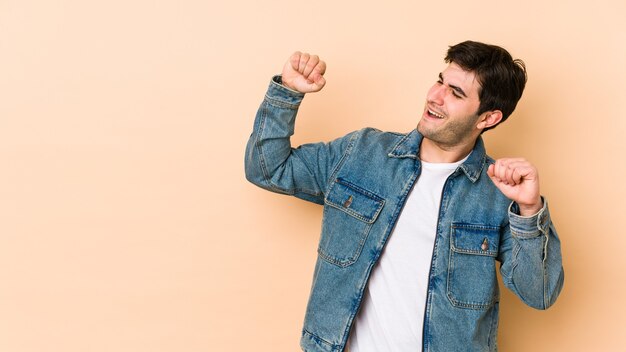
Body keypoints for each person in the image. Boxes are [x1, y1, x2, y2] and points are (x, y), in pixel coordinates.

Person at [244, 41, 564, 352]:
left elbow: (540, 293)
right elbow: (268, 169)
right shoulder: (362, 153)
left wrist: (529, 209)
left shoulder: (498, 193)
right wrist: (288, 92)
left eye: (455, 93)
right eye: (440, 81)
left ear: (487, 118)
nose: (435, 97)